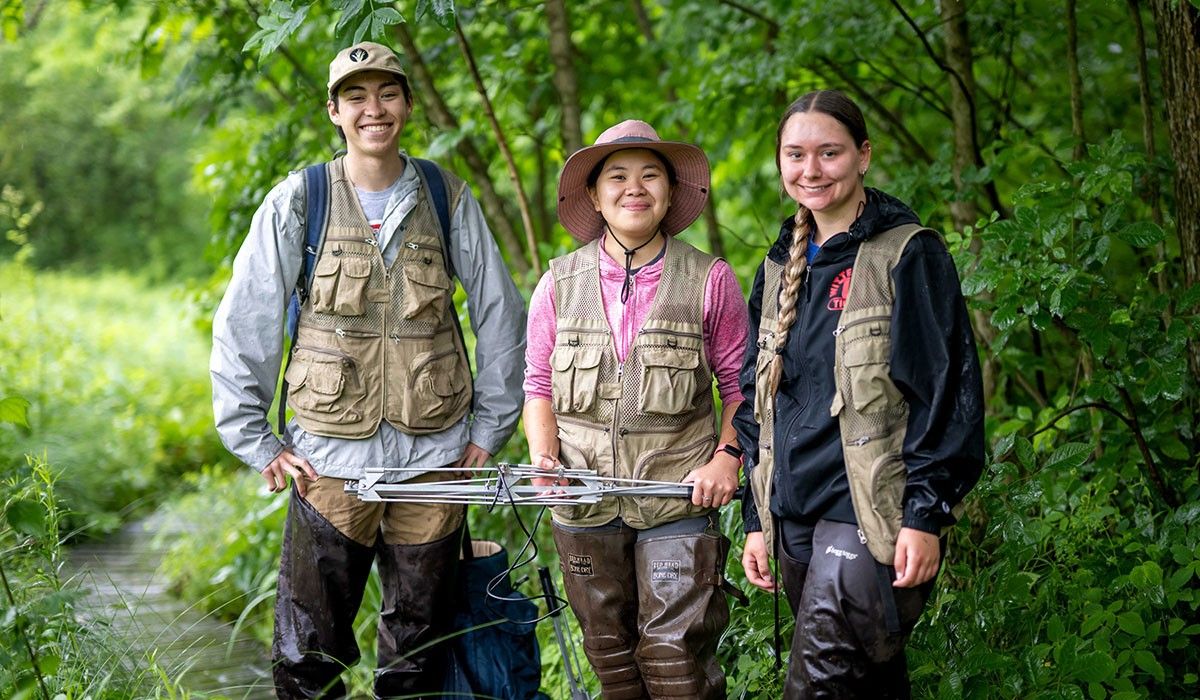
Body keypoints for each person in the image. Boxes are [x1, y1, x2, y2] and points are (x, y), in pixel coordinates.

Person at [209, 41, 526, 698]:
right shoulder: (302, 199)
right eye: (356, 95)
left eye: (386, 93)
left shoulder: (446, 196)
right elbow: (248, 320)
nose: (372, 109)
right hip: (327, 464)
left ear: (407, 104)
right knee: (306, 656)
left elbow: (501, 313)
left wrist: (489, 429)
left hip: (436, 464)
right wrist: (256, 439)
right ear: (334, 110)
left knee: (420, 657)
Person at [734, 89, 985, 698]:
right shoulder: (777, 266)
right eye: (795, 155)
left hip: (869, 518)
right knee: (870, 685)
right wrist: (755, 519)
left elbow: (945, 395)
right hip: (792, 515)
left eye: (829, 152)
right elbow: (755, 404)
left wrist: (926, 514)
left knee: (817, 687)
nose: (811, 170)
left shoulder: (907, 252)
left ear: (863, 155)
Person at [522, 119, 749, 699]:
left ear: (670, 193)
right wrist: (544, 458)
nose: (634, 188)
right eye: (617, 176)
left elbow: (742, 389)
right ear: (595, 197)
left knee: (675, 660)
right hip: (583, 499)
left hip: (677, 498)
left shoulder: (710, 280)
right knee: (612, 661)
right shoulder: (557, 283)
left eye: (650, 175)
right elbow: (539, 386)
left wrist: (727, 459)